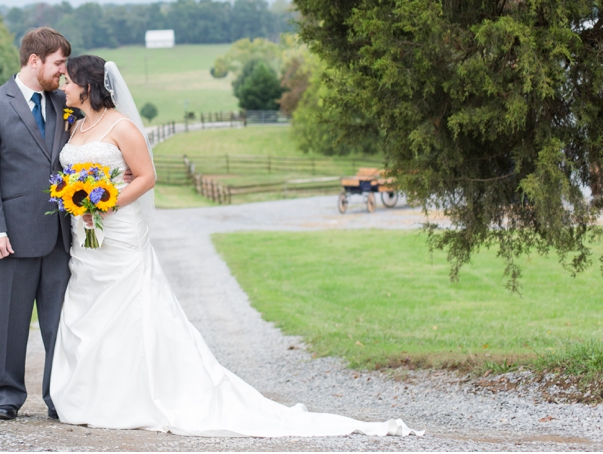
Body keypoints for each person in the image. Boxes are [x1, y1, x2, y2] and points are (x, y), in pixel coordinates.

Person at [49, 55, 423, 438]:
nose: (62, 86)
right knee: (91, 309)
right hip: (87, 237)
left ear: (88, 87)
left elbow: (147, 176)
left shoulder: (122, 126)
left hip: (121, 232)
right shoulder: (74, 127)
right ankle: (96, 395)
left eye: (67, 81)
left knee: (130, 310)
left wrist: (110, 201)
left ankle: (137, 397)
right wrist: (75, 198)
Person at [0, 27, 73, 421]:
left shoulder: (65, 103)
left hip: (60, 237)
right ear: (35, 61)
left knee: (60, 325)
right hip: (8, 237)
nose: (63, 72)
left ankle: (58, 396)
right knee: (9, 323)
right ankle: (6, 396)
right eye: (59, 63)